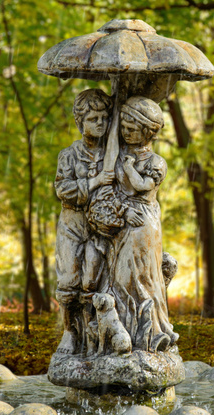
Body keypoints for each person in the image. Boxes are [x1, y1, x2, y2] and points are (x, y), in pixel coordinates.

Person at [99, 96, 178, 352]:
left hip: (144, 224)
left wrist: (130, 167)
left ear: (147, 131)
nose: (126, 133)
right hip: (122, 222)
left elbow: (141, 187)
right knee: (119, 277)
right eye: (123, 127)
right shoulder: (117, 155)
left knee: (142, 276)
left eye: (132, 129)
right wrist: (120, 211)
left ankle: (153, 332)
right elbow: (110, 188)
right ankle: (121, 331)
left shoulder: (156, 163)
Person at [54, 88, 114, 354]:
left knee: (93, 282)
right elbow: (62, 189)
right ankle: (69, 332)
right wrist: (94, 182)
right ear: (80, 122)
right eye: (93, 119)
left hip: (100, 227)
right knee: (69, 281)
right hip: (73, 224)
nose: (99, 123)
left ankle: (92, 335)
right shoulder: (69, 154)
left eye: (103, 117)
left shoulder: (113, 152)